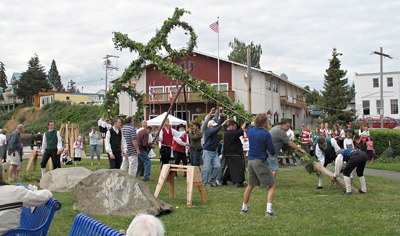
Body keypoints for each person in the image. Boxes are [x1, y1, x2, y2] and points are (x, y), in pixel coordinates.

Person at [240, 113, 277, 217]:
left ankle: (244, 208)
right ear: (265, 123)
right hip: (260, 161)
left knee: (250, 185)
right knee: (272, 185)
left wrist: (252, 124)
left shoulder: (251, 131)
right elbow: (272, 150)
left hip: (250, 161)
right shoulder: (266, 134)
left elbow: (249, 127)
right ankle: (269, 211)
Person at [201, 108, 227, 187]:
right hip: (208, 151)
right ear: (209, 126)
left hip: (214, 151)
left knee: (218, 166)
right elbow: (217, 128)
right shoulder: (208, 131)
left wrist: (221, 114)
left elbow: (219, 124)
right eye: (213, 126)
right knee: (206, 168)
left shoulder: (213, 129)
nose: (215, 127)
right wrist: (222, 125)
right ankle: (205, 183)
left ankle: (211, 180)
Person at [222, 120, 246, 187]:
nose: (236, 127)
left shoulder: (231, 132)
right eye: (234, 126)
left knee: (230, 168)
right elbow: (240, 131)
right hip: (233, 153)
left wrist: (237, 122)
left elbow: (238, 129)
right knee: (239, 167)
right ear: (231, 126)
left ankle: (225, 179)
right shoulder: (228, 133)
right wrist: (244, 123)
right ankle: (238, 182)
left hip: (232, 153)